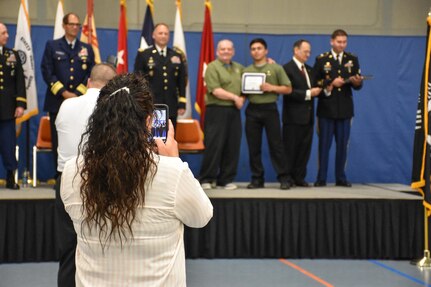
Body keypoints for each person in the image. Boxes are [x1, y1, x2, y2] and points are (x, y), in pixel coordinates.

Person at [60, 73, 213, 286]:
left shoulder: (71, 171)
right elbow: (201, 217)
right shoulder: (172, 172)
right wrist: (175, 162)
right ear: (149, 121)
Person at [54, 63, 117, 287]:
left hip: (65, 181)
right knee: (105, 246)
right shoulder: (113, 106)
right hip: (100, 179)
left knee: (69, 248)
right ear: (113, 86)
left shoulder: (66, 105)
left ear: (89, 82)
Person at [41, 12, 95, 173]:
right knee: (58, 139)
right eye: (71, 24)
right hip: (57, 100)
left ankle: (80, 173)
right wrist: (64, 92)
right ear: (64, 26)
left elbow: (90, 74)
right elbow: (47, 71)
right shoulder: (52, 46)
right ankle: (59, 175)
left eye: (77, 25)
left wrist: (77, 93)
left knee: (80, 136)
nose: (75, 27)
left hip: (81, 101)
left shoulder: (86, 48)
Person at [312, 29, 363, 187]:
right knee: (324, 146)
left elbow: (358, 85)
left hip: (345, 109)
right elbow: (315, 82)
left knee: (342, 145)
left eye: (344, 42)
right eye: (339, 42)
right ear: (331, 41)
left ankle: (341, 177)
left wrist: (357, 82)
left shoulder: (352, 59)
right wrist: (330, 83)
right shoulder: (322, 59)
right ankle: (321, 178)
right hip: (326, 109)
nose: (342, 45)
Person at [243, 38, 292, 190]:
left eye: (259, 48)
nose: (256, 51)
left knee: (276, 145)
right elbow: (242, 91)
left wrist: (272, 87)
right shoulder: (246, 71)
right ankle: (257, 179)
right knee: (253, 146)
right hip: (252, 109)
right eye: (253, 49)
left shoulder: (276, 68)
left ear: (266, 51)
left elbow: (288, 89)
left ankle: (284, 178)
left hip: (270, 109)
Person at [199, 39, 245, 190]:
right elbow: (215, 90)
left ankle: (225, 179)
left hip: (234, 111)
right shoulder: (212, 67)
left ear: (233, 51)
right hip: (216, 110)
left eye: (229, 49)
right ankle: (207, 178)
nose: (226, 51)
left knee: (232, 145)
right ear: (218, 51)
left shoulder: (239, 68)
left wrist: (269, 63)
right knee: (214, 145)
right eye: (223, 49)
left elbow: (248, 84)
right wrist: (235, 98)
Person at [282, 40, 321, 187]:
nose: (308, 54)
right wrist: (308, 93)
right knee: (290, 148)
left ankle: (299, 177)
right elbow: (288, 91)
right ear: (296, 50)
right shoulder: (287, 69)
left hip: (308, 116)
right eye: (305, 51)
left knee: (304, 149)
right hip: (292, 117)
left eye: (309, 52)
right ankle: (288, 177)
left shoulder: (310, 70)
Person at [134, 23, 186, 128]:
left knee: (170, 135)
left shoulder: (176, 55)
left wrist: (182, 102)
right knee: (156, 137)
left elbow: (181, 80)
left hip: (171, 104)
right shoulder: (144, 54)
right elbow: (138, 79)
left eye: (166, 33)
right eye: (160, 33)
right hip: (152, 104)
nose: (163, 36)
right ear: (153, 35)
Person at [0, 22, 26, 190]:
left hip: (7, 109)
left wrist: (20, 104)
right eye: (3, 33)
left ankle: (10, 177)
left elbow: (20, 82)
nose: (7, 36)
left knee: (8, 145)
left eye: (7, 32)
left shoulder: (13, 55)